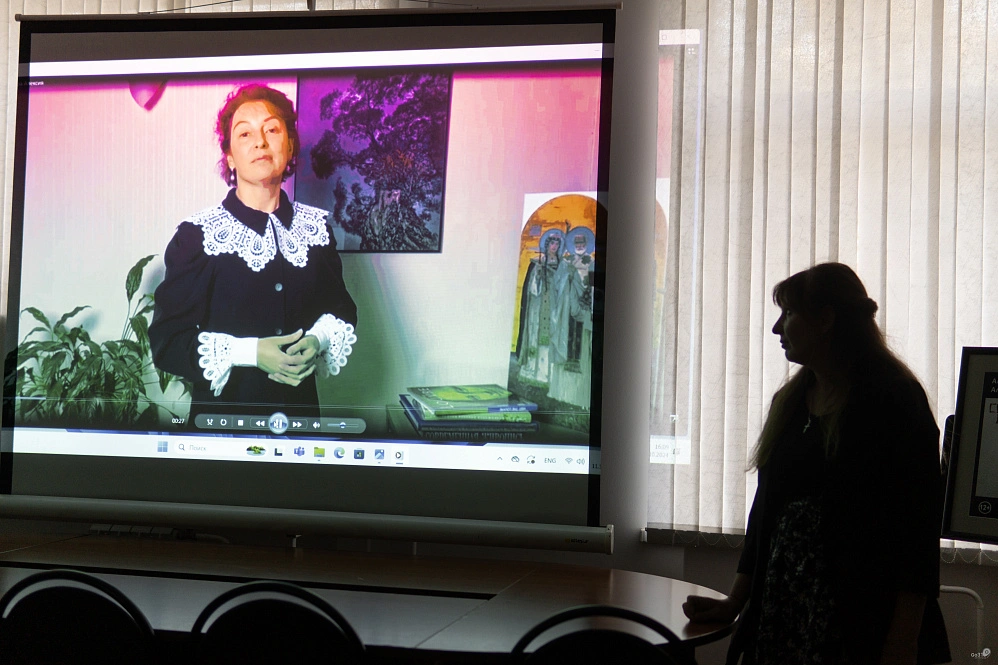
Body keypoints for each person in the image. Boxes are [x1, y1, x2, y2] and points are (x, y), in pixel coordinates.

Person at [682, 263, 949, 665]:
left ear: (825, 320)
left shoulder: (895, 400)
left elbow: (917, 533)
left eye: (788, 313)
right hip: (783, 610)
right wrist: (734, 602)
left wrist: (903, 640)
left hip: (862, 621)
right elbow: (766, 513)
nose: (777, 328)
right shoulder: (789, 404)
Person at [149, 83, 357, 421]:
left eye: (272, 130)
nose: (260, 141)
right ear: (230, 157)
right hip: (222, 428)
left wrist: (318, 340)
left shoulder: (317, 228)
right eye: (245, 134)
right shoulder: (197, 236)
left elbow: (342, 311)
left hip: (301, 426)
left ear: (290, 145)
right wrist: (251, 352)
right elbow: (167, 342)